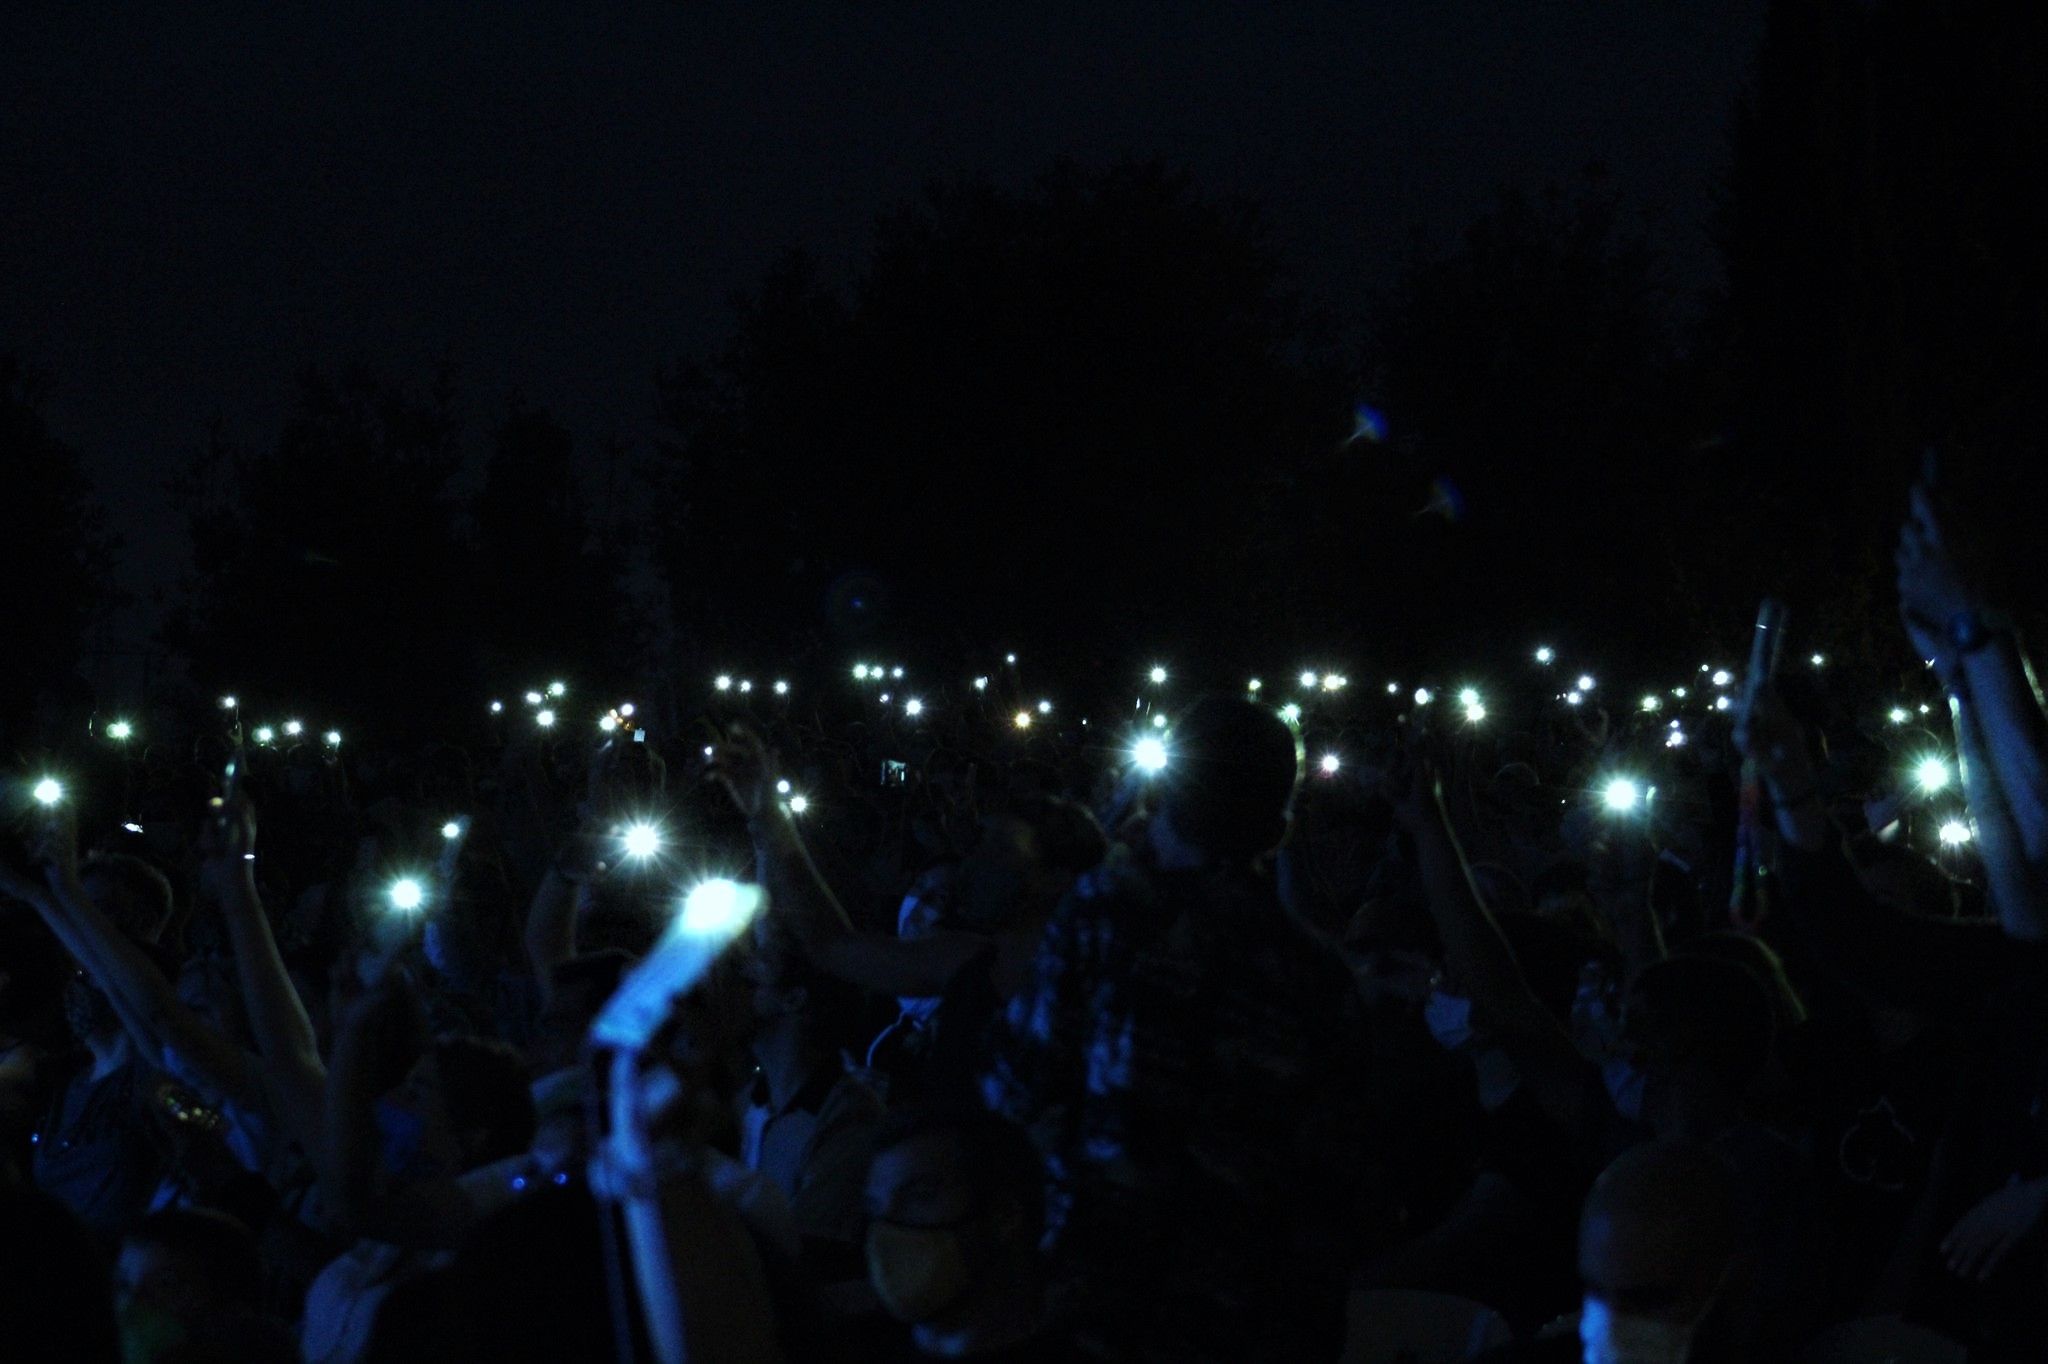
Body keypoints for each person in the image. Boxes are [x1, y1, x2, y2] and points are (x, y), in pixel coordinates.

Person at [983, 695, 1416, 1362]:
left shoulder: (1104, 917)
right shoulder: (1317, 975)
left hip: (1109, 1305)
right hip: (1260, 1319)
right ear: (1279, 826)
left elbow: (1016, 1090)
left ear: (1162, 801)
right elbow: (1345, 1177)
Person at [839, 1106, 1071, 1361]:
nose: (884, 1230)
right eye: (874, 1207)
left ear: (1004, 1215)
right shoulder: (843, 1346)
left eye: (919, 1197)